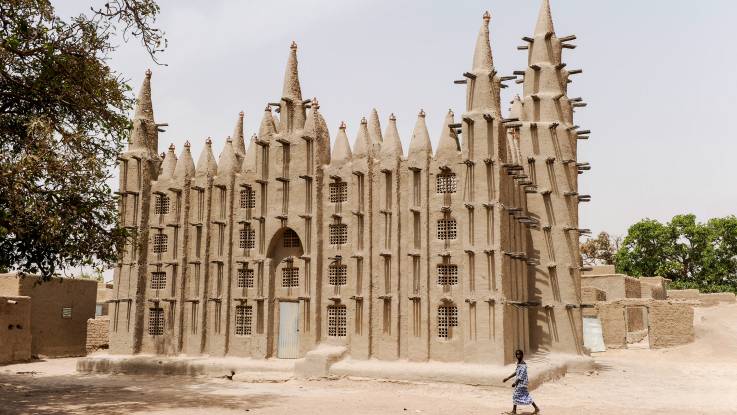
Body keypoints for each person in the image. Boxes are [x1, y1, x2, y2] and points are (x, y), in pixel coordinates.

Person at [502, 349, 540, 414]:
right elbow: (516, 372)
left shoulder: (523, 364)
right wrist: (507, 378)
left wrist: (515, 383)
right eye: (517, 354)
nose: (518, 355)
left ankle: (514, 411)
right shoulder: (519, 363)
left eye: (519, 354)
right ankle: (536, 408)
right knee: (525, 395)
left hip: (522, 383)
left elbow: (521, 375)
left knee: (516, 395)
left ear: (522, 355)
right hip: (520, 383)